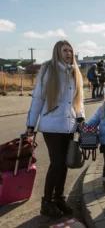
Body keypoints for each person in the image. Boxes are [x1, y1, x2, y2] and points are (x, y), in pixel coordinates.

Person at [26, 40, 85, 219]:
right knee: (57, 162)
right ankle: (47, 203)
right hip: (51, 125)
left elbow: (79, 100)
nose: (68, 53)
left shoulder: (75, 71)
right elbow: (38, 98)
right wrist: (31, 124)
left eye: (70, 50)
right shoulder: (48, 70)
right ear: (57, 52)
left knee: (65, 164)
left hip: (69, 125)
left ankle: (59, 198)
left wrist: (80, 118)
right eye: (65, 50)